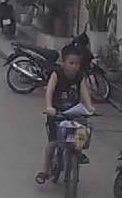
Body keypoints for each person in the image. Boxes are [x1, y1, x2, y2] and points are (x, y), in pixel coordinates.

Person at [38, 44, 96, 182]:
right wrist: (49, 107)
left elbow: (84, 92)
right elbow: (49, 91)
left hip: (73, 113)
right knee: (53, 143)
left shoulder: (79, 77)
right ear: (63, 62)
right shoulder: (56, 74)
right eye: (71, 63)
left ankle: (78, 153)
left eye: (77, 64)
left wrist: (89, 106)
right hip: (57, 114)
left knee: (81, 132)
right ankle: (45, 170)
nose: (75, 67)